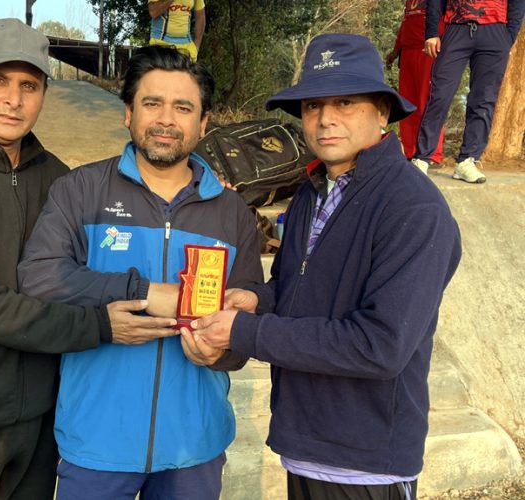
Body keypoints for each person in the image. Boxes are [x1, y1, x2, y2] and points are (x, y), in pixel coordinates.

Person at [0, 18, 175, 500]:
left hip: (39, 421)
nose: (14, 99)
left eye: (29, 85)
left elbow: (117, 239)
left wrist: (205, 191)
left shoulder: (61, 180)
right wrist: (99, 327)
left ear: (45, 92)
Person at [190, 33, 462, 500]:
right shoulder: (312, 193)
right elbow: (298, 289)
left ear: (382, 112)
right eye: (313, 105)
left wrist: (244, 332)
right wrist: (257, 299)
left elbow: (380, 345)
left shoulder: (413, 208)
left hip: (366, 462)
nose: (325, 118)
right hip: (305, 441)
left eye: (345, 102)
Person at [18, 45, 263, 500]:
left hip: (195, 446)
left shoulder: (232, 214)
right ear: (127, 113)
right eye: (152, 103)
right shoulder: (81, 190)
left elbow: (249, 314)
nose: (167, 119)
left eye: (183, 107)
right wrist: (145, 292)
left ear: (204, 123)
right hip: (96, 444)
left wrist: (223, 354)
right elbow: (39, 276)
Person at [411, 0, 525, 183]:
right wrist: (432, 32)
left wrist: (508, 36)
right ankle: (422, 158)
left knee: (484, 99)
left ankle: (467, 160)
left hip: (495, 32)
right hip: (457, 29)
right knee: (440, 94)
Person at [385, 0, 446, 170]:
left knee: (428, 102)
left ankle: (433, 153)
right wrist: (396, 50)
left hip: (429, 50)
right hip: (408, 52)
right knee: (408, 106)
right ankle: (411, 153)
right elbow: (406, 24)